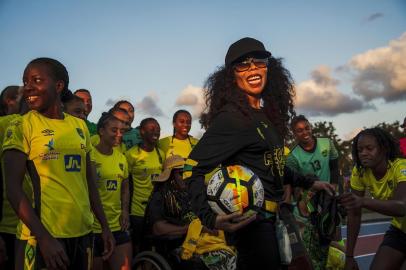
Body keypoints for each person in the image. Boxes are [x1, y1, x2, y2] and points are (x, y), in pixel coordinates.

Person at [183, 37, 334, 269]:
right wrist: (210, 217)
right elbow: (191, 168)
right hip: (252, 225)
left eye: (259, 61)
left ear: (268, 67)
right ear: (231, 75)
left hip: (279, 218)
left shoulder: (266, 116)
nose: (252, 67)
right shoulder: (232, 118)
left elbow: (274, 167)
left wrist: (310, 183)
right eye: (243, 64)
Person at [2, 57, 115, 269]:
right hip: (40, 237)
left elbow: (90, 182)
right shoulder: (21, 125)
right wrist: (43, 238)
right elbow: (13, 190)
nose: (28, 87)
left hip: (83, 235)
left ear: (59, 85)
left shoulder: (79, 127)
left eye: (36, 80)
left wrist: (105, 226)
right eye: (25, 82)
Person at [147, 155, 236, 270]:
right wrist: (194, 228)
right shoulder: (160, 196)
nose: (185, 177)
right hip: (179, 245)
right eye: (181, 173)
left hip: (206, 241)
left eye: (186, 173)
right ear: (171, 176)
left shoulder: (192, 191)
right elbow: (158, 229)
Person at [341, 128, 406, 270]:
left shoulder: (400, 167)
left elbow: (401, 207)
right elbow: (354, 213)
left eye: (369, 148)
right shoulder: (360, 172)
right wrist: (350, 256)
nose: (363, 153)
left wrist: (363, 201)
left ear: (383, 149)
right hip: (401, 230)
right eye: (360, 150)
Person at [286, 114, 340, 269]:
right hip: (309, 202)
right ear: (294, 134)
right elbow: (293, 181)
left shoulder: (327, 143)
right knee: (314, 241)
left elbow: (334, 166)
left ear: (311, 127)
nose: (305, 132)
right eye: (299, 130)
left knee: (335, 236)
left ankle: (341, 261)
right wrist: (301, 201)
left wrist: (335, 186)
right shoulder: (292, 157)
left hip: (329, 197)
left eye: (307, 128)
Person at [92, 112, 132, 270]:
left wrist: (125, 211)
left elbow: (125, 188)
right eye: (114, 130)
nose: (118, 134)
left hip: (117, 226)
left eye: (121, 131)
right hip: (94, 228)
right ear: (101, 131)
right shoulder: (91, 156)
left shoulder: (121, 158)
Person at [125, 117, 164, 255]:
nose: (156, 132)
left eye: (158, 129)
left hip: (156, 211)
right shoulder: (131, 155)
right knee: (138, 246)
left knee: (154, 246)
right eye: (152, 129)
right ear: (142, 132)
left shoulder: (161, 154)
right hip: (137, 211)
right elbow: (126, 185)